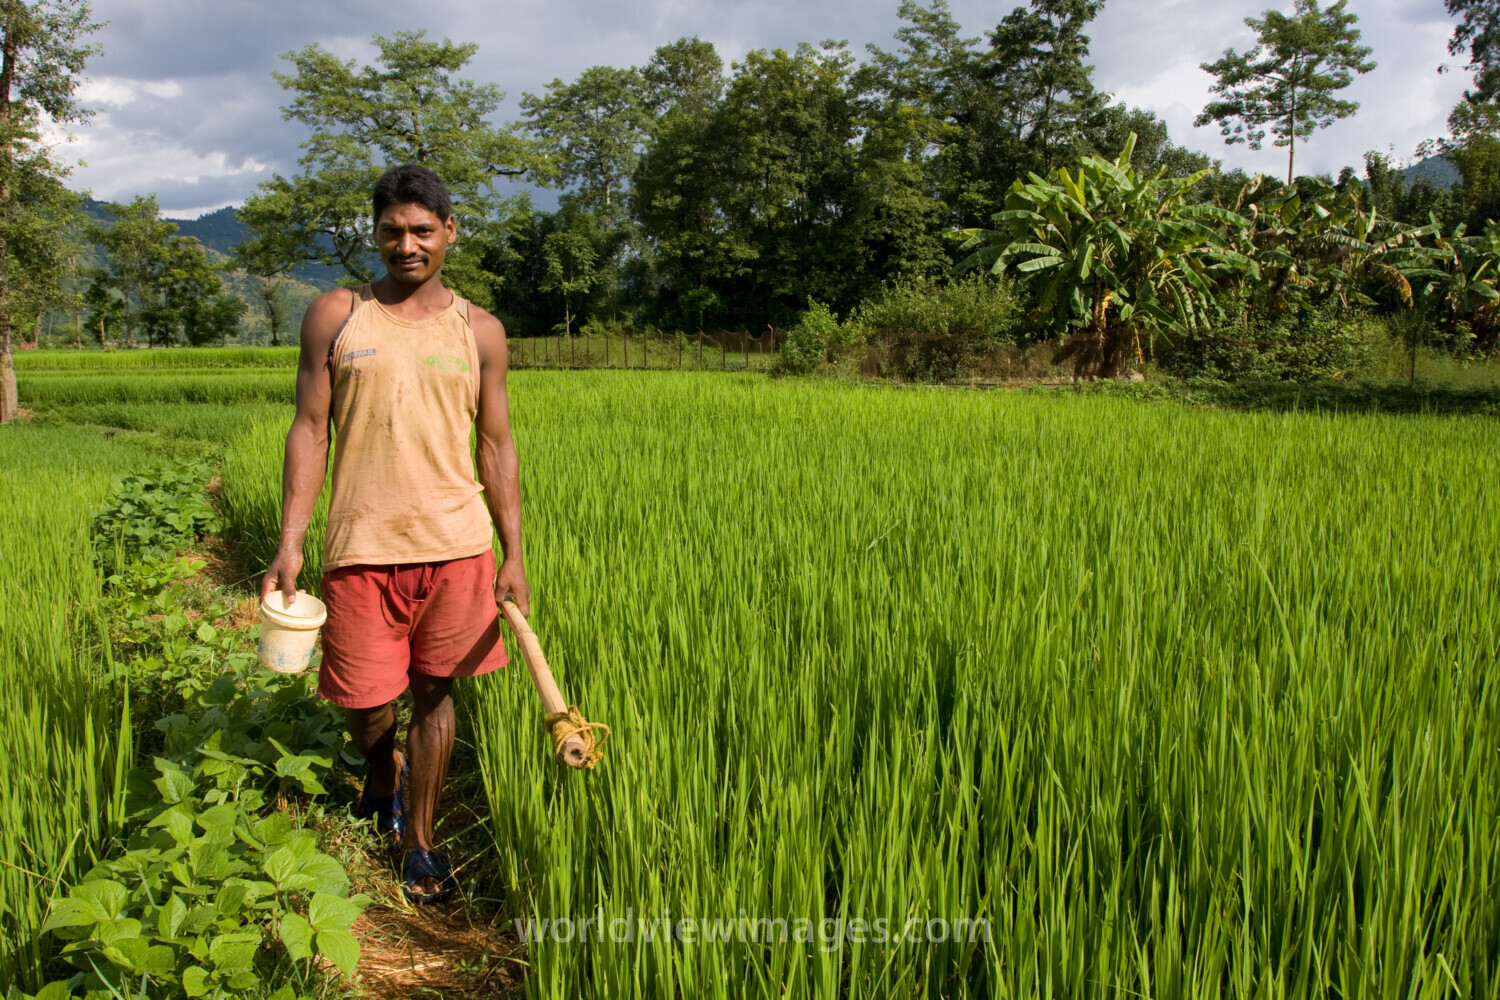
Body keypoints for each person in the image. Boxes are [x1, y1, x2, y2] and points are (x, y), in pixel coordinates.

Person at [261, 163, 529, 904]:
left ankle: (420, 841)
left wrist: (514, 553)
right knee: (364, 699)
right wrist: (291, 540)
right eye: (391, 231)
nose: (405, 245)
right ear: (372, 235)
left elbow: (497, 445)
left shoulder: (479, 331)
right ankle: (382, 772)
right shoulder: (337, 315)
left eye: (420, 230)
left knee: (436, 694)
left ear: (449, 232)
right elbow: (310, 429)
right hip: (360, 546)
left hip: (457, 545)